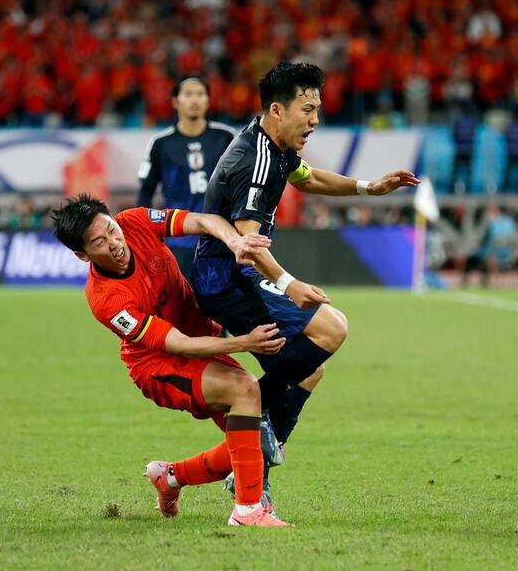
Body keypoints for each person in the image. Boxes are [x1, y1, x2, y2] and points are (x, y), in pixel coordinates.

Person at [191, 61, 419, 503]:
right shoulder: (255, 160)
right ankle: (252, 410)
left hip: (234, 274)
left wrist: (371, 188)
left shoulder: (276, 147)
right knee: (332, 327)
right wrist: (289, 282)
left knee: (309, 370)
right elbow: (246, 241)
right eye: (308, 109)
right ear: (278, 109)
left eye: (318, 109)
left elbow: (309, 178)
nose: (315, 120)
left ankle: (252, 462)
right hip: (227, 277)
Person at [51, 195, 291, 527]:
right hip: (159, 365)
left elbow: (204, 220)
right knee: (245, 389)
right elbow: (179, 344)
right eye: (99, 242)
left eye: (111, 229)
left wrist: (236, 242)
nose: (114, 242)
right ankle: (248, 511)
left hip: (202, 341)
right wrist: (245, 343)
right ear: (82, 255)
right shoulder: (107, 300)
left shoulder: (135, 221)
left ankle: (170, 477)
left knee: (258, 445)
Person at [137, 76, 237, 280]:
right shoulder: (161, 143)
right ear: (175, 101)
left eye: (200, 94)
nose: (195, 100)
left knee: (223, 306)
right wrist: (142, 233)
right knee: (180, 304)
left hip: (219, 238)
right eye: (188, 94)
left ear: (208, 100)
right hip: (177, 238)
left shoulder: (226, 137)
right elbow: (146, 190)